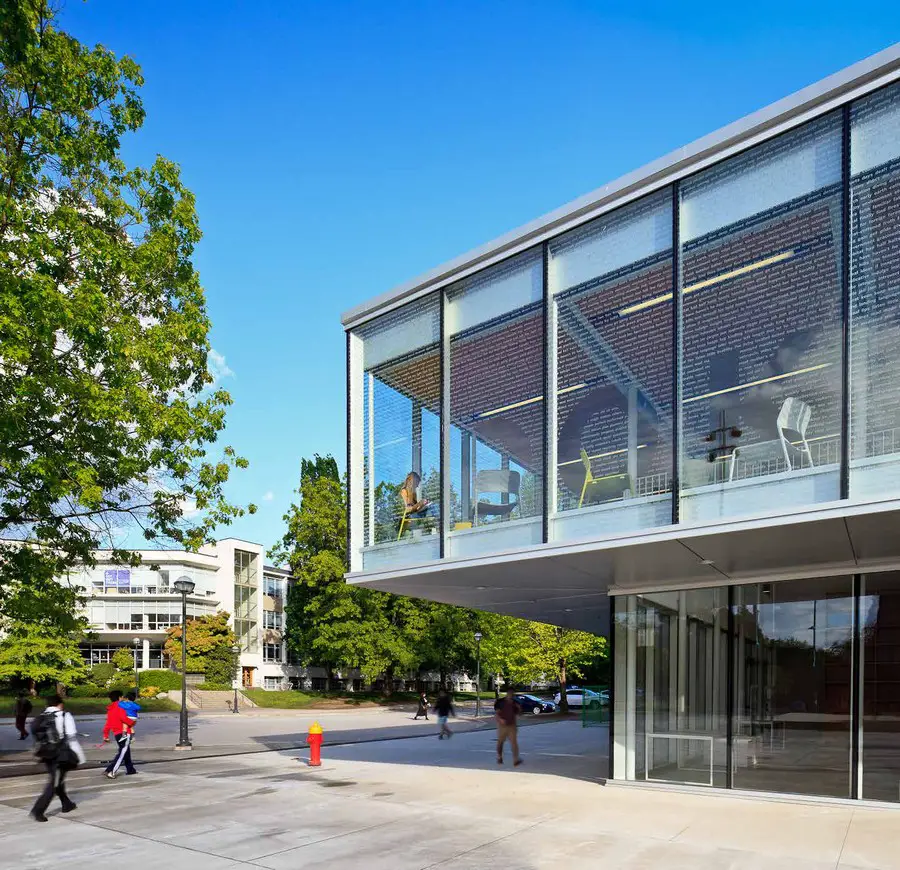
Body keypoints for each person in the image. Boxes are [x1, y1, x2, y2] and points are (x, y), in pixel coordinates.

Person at [30, 694, 85, 822]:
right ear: (60, 704)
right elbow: (71, 737)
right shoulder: (65, 716)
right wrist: (79, 755)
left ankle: (67, 804)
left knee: (58, 778)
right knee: (54, 783)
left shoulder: (42, 716)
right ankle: (38, 810)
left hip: (45, 753)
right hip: (60, 755)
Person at [103, 690, 137, 778]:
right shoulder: (121, 706)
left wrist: (106, 735)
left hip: (117, 733)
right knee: (122, 753)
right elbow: (123, 718)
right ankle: (111, 771)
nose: (122, 698)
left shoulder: (110, 709)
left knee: (125, 751)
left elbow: (108, 724)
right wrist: (132, 722)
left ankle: (130, 770)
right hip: (124, 733)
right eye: (122, 697)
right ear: (119, 697)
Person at [494, 687, 522, 766]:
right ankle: (499, 757)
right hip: (502, 726)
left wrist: (519, 708)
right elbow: (496, 714)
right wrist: (500, 720)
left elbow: (518, 714)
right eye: (510, 693)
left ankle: (515, 760)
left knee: (514, 743)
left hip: (512, 725)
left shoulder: (515, 703)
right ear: (507, 693)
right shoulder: (500, 702)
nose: (511, 695)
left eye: (512, 694)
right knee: (500, 742)